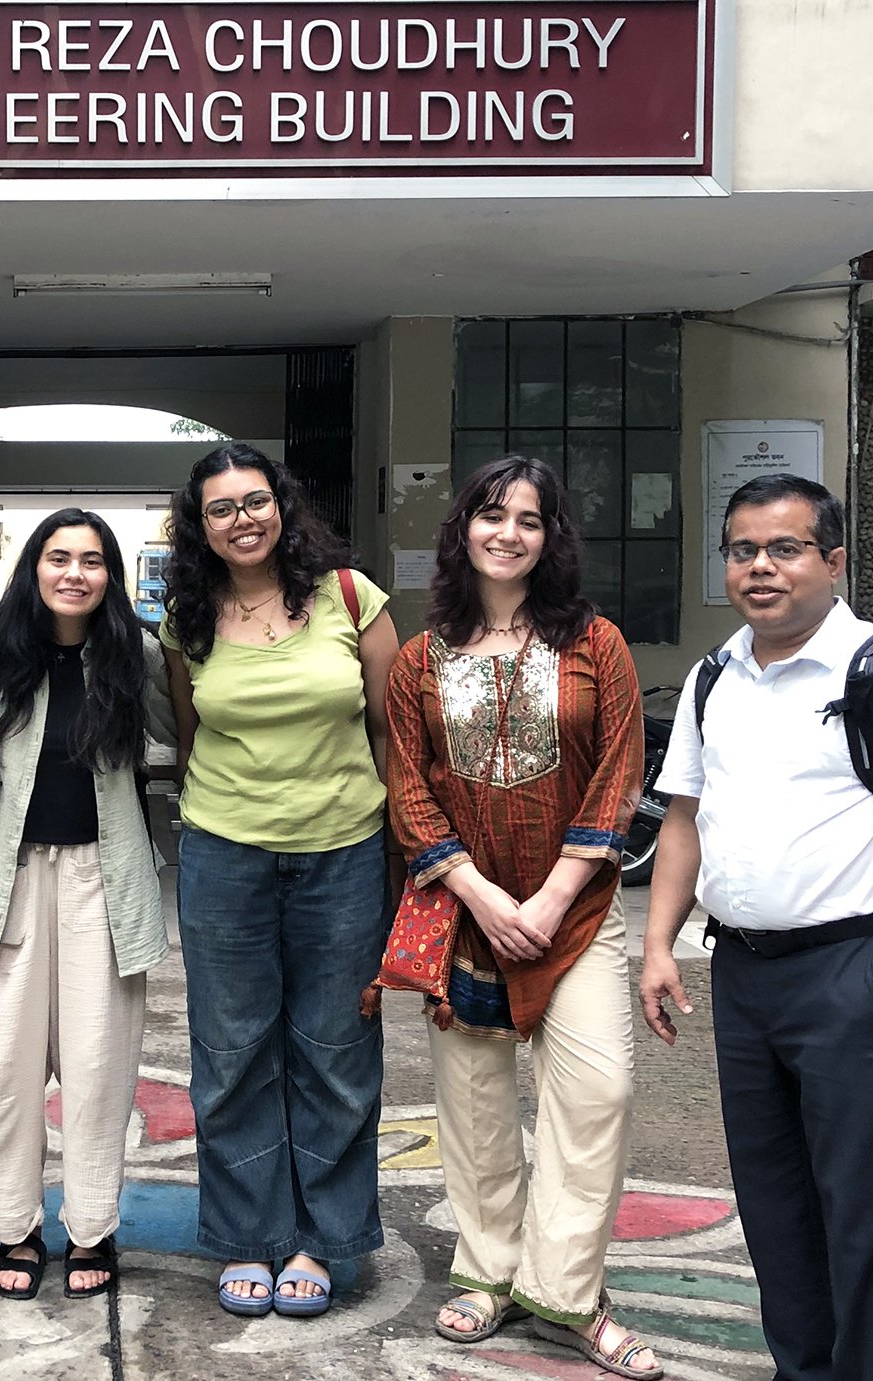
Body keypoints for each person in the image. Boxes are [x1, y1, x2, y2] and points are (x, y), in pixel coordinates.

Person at [640, 474, 873, 1381]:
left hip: (851, 972)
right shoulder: (717, 675)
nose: (760, 567)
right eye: (743, 549)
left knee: (870, 1210)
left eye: (784, 549)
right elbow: (682, 817)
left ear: (831, 561)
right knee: (776, 1207)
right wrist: (659, 942)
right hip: (743, 974)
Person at [385, 456, 656, 1377]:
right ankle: (488, 1272)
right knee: (475, 1106)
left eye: (530, 520)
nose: (509, 533)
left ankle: (567, 1290)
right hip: (467, 915)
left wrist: (544, 898)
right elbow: (409, 789)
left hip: (574, 917)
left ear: (552, 539)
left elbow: (620, 776)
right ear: (463, 530)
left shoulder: (597, 645)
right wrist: (481, 894)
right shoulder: (422, 659)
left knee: (598, 1094)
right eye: (492, 515)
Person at [159, 442, 399, 1317]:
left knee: (335, 1050)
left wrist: (396, 844)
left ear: (282, 506)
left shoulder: (350, 597)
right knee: (230, 1053)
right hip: (225, 854)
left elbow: (389, 730)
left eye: (254, 501)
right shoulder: (185, 615)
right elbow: (191, 737)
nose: (242, 519)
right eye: (221, 508)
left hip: (343, 852)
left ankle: (323, 1238)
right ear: (201, 523)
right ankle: (249, 1236)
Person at [0, 509, 171, 1301]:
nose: (74, 572)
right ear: (32, 567)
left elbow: (180, 737)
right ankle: (14, 1226)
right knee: (4, 1068)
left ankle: (93, 1229)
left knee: (97, 1066)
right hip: (6, 877)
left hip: (103, 877)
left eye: (91, 559)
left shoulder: (134, 653)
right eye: (58, 557)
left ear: (110, 574)